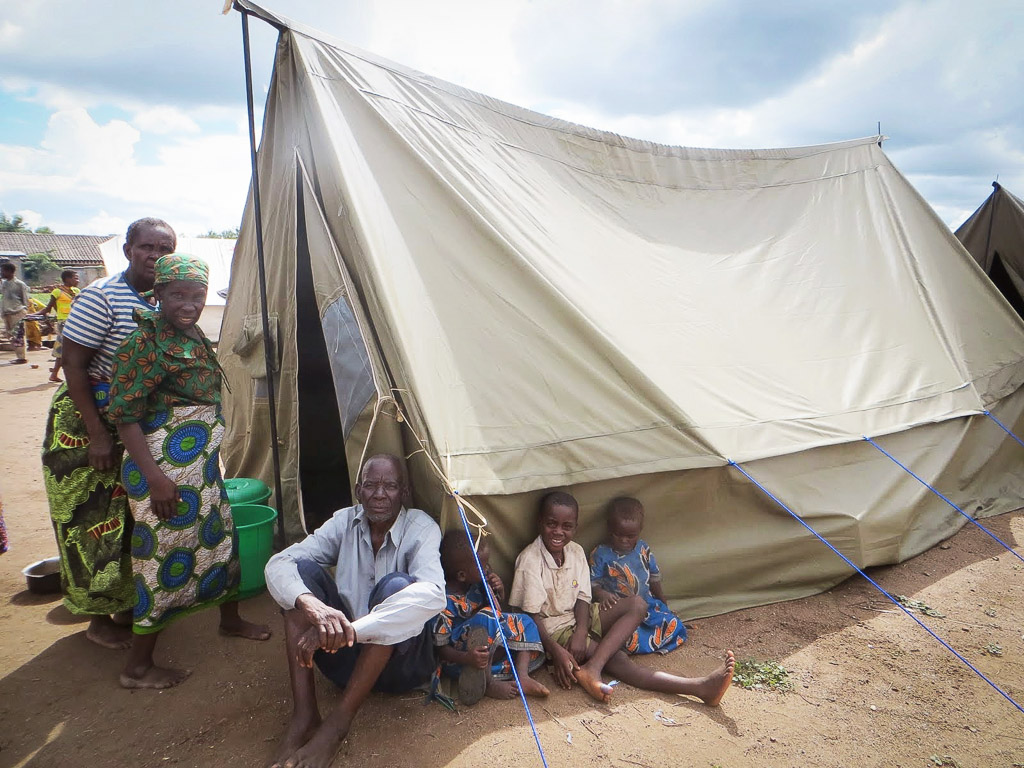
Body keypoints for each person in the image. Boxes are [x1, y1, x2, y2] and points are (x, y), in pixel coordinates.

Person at [106, 253, 271, 689]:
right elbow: (125, 417)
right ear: (157, 293)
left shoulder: (191, 332)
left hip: (199, 469)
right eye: (178, 295)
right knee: (161, 559)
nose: (189, 304)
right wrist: (158, 481)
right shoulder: (143, 343)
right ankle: (137, 666)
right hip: (164, 472)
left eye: (197, 296)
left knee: (219, 542)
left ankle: (229, 619)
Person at [41, 218, 176, 650]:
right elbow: (74, 366)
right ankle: (98, 619)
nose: (155, 255)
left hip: (131, 421)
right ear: (127, 250)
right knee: (91, 520)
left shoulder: (164, 299)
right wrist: (96, 432)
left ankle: (123, 603)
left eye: (164, 248)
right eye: (147, 247)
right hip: (87, 422)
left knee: (128, 517)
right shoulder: (100, 297)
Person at [264, 454, 446, 768]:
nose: (379, 494)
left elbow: (433, 595)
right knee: (301, 575)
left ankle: (337, 726)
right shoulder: (344, 521)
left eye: (389, 486)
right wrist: (314, 608)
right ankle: (305, 715)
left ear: (403, 493)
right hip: (344, 662)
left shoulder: (421, 528)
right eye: (371, 485)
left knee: (397, 586)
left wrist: (351, 629)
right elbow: (278, 564)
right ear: (358, 490)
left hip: (400, 669)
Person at [509, 491, 734, 706]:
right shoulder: (530, 560)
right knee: (619, 662)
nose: (558, 532)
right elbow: (529, 616)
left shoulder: (575, 551)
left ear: (576, 527)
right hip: (553, 629)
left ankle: (593, 666)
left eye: (567, 526)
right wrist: (557, 651)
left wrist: (580, 631)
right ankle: (699, 687)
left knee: (637, 603)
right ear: (540, 522)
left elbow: (583, 598)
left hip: (580, 620)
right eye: (551, 524)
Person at [433, 530, 548, 704]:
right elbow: (440, 650)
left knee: (525, 620)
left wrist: (498, 590)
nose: (487, 569)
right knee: (486, 617)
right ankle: (489, 683)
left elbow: (498, 612)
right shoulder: (443, 602)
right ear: (462, 575)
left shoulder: (476, 583)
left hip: (487, 648)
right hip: (462, 660)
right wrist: (467, 658)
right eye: (483, 565)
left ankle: (522, 676)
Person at [589, 496, 688, 654]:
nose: (624, 540)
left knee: (674, 624)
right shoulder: (600, 553)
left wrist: (663, 602)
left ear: (640, 530)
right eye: (618, 534)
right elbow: (592, 582)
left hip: (647, 604)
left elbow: (654, 578)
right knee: (625, 636)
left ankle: (653, 645)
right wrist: (602, 594)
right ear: (609, 528)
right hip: (621, 610)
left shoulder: (643, 549)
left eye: (630, 536)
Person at [39, 270, 80, 382]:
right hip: (64, 323)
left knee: (71, 349)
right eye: (75, 278)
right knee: (63, 349)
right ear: (67, 279)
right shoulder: (57, 292)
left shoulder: (76, 291)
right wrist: (36, 314)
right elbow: (49, 308)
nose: (78, 280)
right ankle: (55, 374)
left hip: (76, 321)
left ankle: (57, 374)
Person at [1, 262, 30, 364]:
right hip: (7, 312)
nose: (1, 273)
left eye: (3, 270)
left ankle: (22, 357)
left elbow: (25, 300)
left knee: (19, 335)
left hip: (17, 312)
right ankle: (19, 356)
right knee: (10, 335)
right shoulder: (4, 284)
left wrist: (25, 312)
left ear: (10, 271)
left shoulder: (20, 284)